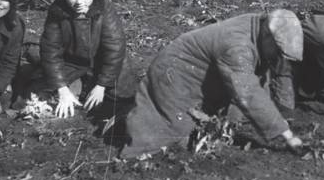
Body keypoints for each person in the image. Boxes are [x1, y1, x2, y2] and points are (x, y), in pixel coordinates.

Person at [122, 9, 307, 157]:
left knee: (210, 123)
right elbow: (248, 92)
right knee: (168, 135)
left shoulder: (257, 25)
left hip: (198, 74)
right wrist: (286, 134)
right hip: (174, 72)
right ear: (268, 36)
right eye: (277, 51)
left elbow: (257, 82)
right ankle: (132, 151)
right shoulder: (237, 46)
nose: (277, 58)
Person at [24, 0, 134, 118]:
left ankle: (91, 86)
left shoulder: (104, 6)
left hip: (103, 63)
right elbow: (50, 51)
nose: (79, 1)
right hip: (71, 63)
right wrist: (62, 89)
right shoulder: (57, 10)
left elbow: (114, 47)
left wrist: (102, 85)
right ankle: (77, 87)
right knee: (41, 93)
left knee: (122, 98)